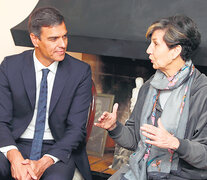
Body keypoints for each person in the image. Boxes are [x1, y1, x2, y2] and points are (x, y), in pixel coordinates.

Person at [95, 15, 207, 180]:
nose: (148, 50)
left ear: (175, 51)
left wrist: (175, 143)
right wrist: (114, 127)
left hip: (180, 174)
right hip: (141, 168)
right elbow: (134, 140)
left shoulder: (201, 91)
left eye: (155, 44)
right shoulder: (149, 87)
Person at [0, 7, 92, 180]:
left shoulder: (80, 72)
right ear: (35, 39)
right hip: (15, 143)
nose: (63, 44)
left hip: (56, 148)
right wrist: (15, 158)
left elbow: (76, 129)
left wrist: (43, 162)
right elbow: (0, 120)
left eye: (64, 36)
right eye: (54, 38)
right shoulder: (10, 67)